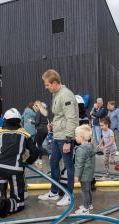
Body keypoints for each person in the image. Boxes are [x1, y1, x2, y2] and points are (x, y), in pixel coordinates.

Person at [0, 108, 38, 222]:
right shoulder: (24, 135)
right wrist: (28, 162)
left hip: (0, 168)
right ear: (18, 121)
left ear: (5, 121)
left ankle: (2, 196)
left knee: (2, 175)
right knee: (20, 202)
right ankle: (5, 204)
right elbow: (35, 153)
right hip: (15, 169)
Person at [38, 69, 79, 206]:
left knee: (68, 166)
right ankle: (54, 192)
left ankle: (69, 195)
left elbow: (71, 118)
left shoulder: (66, 95)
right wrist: (54, 126)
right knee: (53, 162)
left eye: (47, 85)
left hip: (65, 138)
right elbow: (59, 116)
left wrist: (68, 140)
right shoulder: (56, 94)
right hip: (57, 135)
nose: (46, 87)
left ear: (55, 83)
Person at [73, 124, 96, 214]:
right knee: (88, 189)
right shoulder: (90, 146)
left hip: (84, 174)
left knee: (85, 191)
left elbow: (79, 164)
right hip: (90, 172)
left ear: (82, 137)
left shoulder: (81, 149)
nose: (75, 137)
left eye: (76, 135)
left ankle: (85, 209)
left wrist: (76, 176)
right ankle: (89, 204)